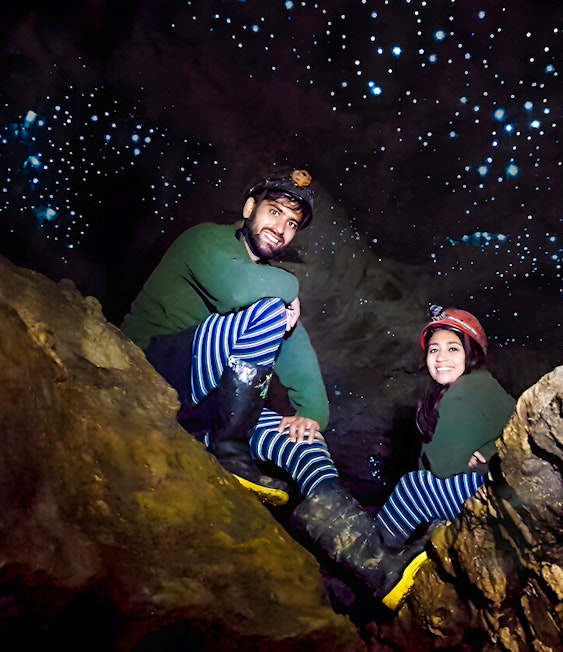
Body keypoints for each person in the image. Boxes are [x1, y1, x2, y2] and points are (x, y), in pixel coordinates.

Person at [120, 167, 426, 609]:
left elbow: (303, 370)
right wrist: (290, 288)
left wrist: (311, 420)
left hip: (212, 407)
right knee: (265, 308)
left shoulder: (273, 291)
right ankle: (231, 454)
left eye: (291, 224)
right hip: (154, 370)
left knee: (305, 444)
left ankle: (374, 563)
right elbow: (235, 291)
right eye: (273, 212)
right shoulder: (205, 240)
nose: (280, 229)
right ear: (249, 208)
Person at [374, 306, 517, 548]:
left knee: (415, 487)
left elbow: (441, 467)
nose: (441, 358)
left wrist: (491, 452)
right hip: (504, 496)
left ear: (470, 353)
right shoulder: (483, 383)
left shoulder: (462, 394)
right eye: (433, 350)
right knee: (431, 491)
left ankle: (375, 551)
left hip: (501, 503)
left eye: (452, 348)